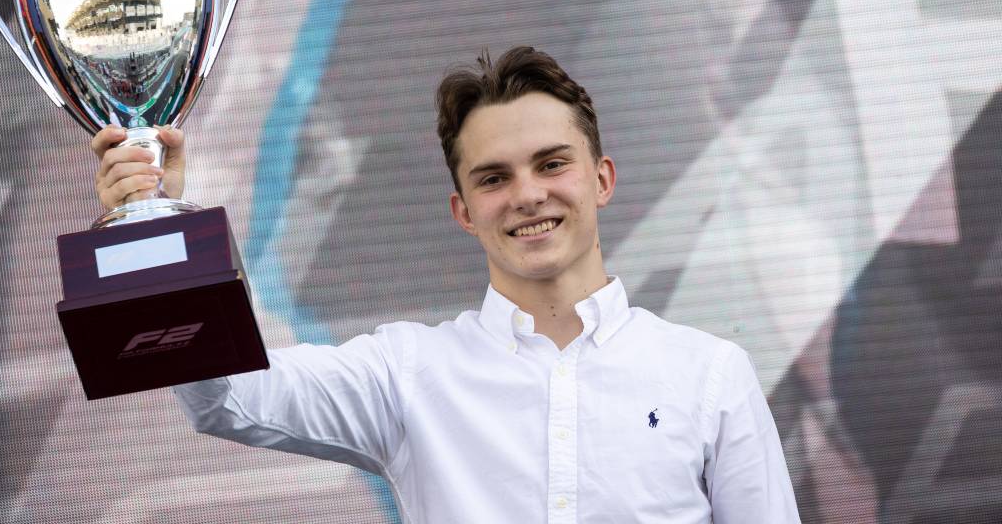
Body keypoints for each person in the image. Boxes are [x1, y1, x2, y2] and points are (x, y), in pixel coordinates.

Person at [91, 46, 801, 523]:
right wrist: (152, 224)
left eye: (551, 164)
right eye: (494, 178)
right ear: (463, 210)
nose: (527, 195)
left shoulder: (709, 375)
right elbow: (225, 394)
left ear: (601, 180)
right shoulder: (406, 375)